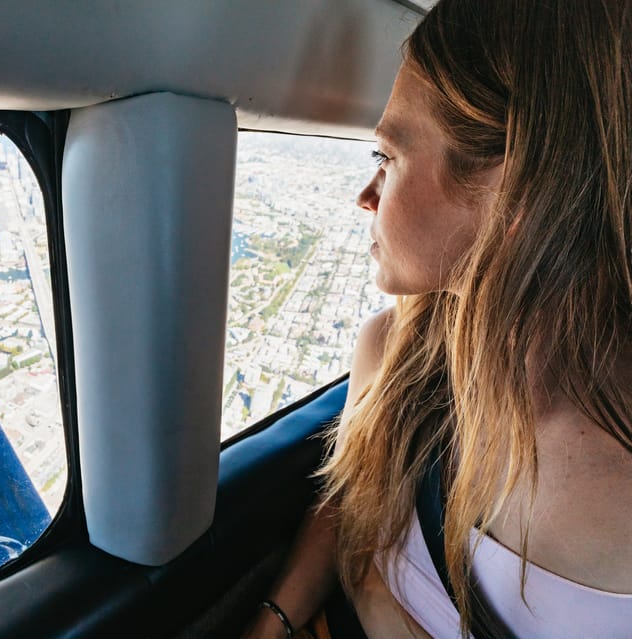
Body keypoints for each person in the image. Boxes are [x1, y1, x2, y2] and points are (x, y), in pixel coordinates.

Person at [243, 0, 632, 637]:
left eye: (388, 157)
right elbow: (348, 504)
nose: (365, 195)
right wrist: (274, 620)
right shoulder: (394, 351)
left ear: (510, 189)